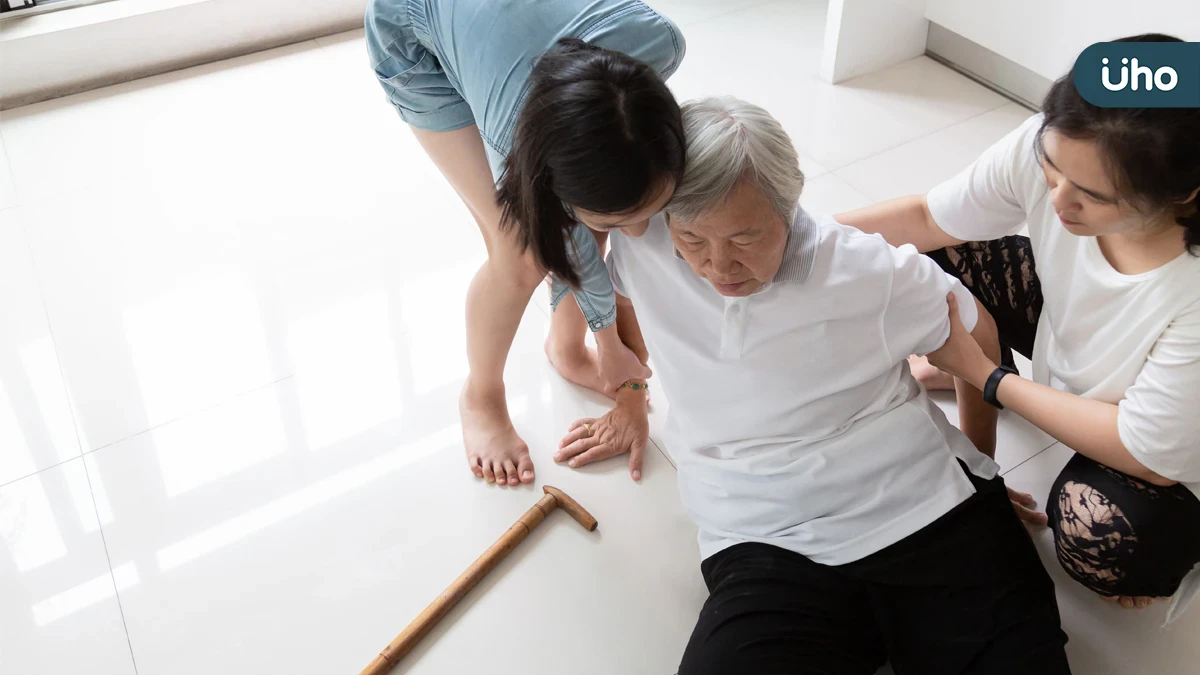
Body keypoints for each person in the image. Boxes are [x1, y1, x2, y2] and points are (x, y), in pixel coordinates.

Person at [566, 95, 1070, 673]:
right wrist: (632, 390)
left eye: (744, 239)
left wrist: (980, 464)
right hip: (765, 537)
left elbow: (977, 336)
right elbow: (608, 274)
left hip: (926, 509)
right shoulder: (645, 240)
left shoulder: (868, 270)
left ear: (790, 207)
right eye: (696, 243)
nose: (717, 267)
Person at [837, 33, 1200, 618]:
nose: (1058, 200)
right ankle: (977, 434)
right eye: (1051, 169)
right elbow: (928, 218)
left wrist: (988, 375)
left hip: (1169, 451)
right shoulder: (1060, 148)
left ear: (1183, 194)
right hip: (1084, 361)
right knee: (919, 261)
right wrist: (794, 243)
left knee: (1097, 538)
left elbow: (1144, 451)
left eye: (1091, 195)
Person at [365, 0, 685, 486]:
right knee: (520, 256)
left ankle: (565, 346)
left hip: (512, 32)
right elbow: (561, 239)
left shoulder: (658, 42)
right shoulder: (515, 136)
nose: (638, 233)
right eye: (627, 223)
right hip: (412, 24)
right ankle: (481, 394)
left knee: (608, 190)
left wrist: (626, 373)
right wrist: (616, 351)